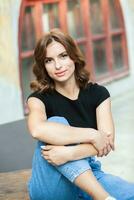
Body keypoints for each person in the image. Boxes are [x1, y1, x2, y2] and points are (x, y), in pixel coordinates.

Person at [27, 28, 134, 200]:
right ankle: (102, 198)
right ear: (43, 66)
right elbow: (37, 130)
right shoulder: (38, 99)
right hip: (51, 181)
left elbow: (106, 143)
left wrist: (68, 154)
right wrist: (92, 135)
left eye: (63, 56)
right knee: (57, 122)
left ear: (74, 56)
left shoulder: (98, 94)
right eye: (49, 60)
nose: (58, 66)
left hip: (89, 175)